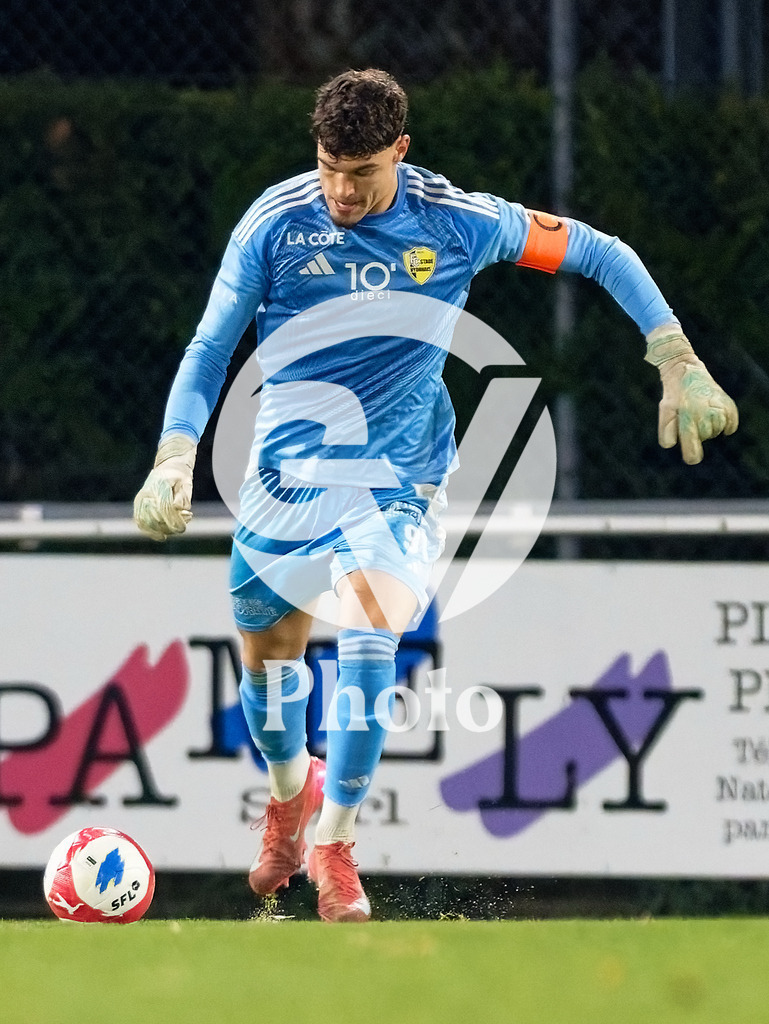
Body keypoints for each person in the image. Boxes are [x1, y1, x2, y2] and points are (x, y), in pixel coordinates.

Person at [133, 68, 738, 922]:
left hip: (400, 476)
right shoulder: (275, 222)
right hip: (284, 472)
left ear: (401, 152)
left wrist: (673, 354)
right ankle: (286, 795)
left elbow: (597, 251)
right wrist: (173, 455)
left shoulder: (456, 220)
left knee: (375, 627)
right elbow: (208, 347)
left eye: (363, 173)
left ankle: (335, 848)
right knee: (271, 665)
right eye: (329, 169)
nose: (342, 191)